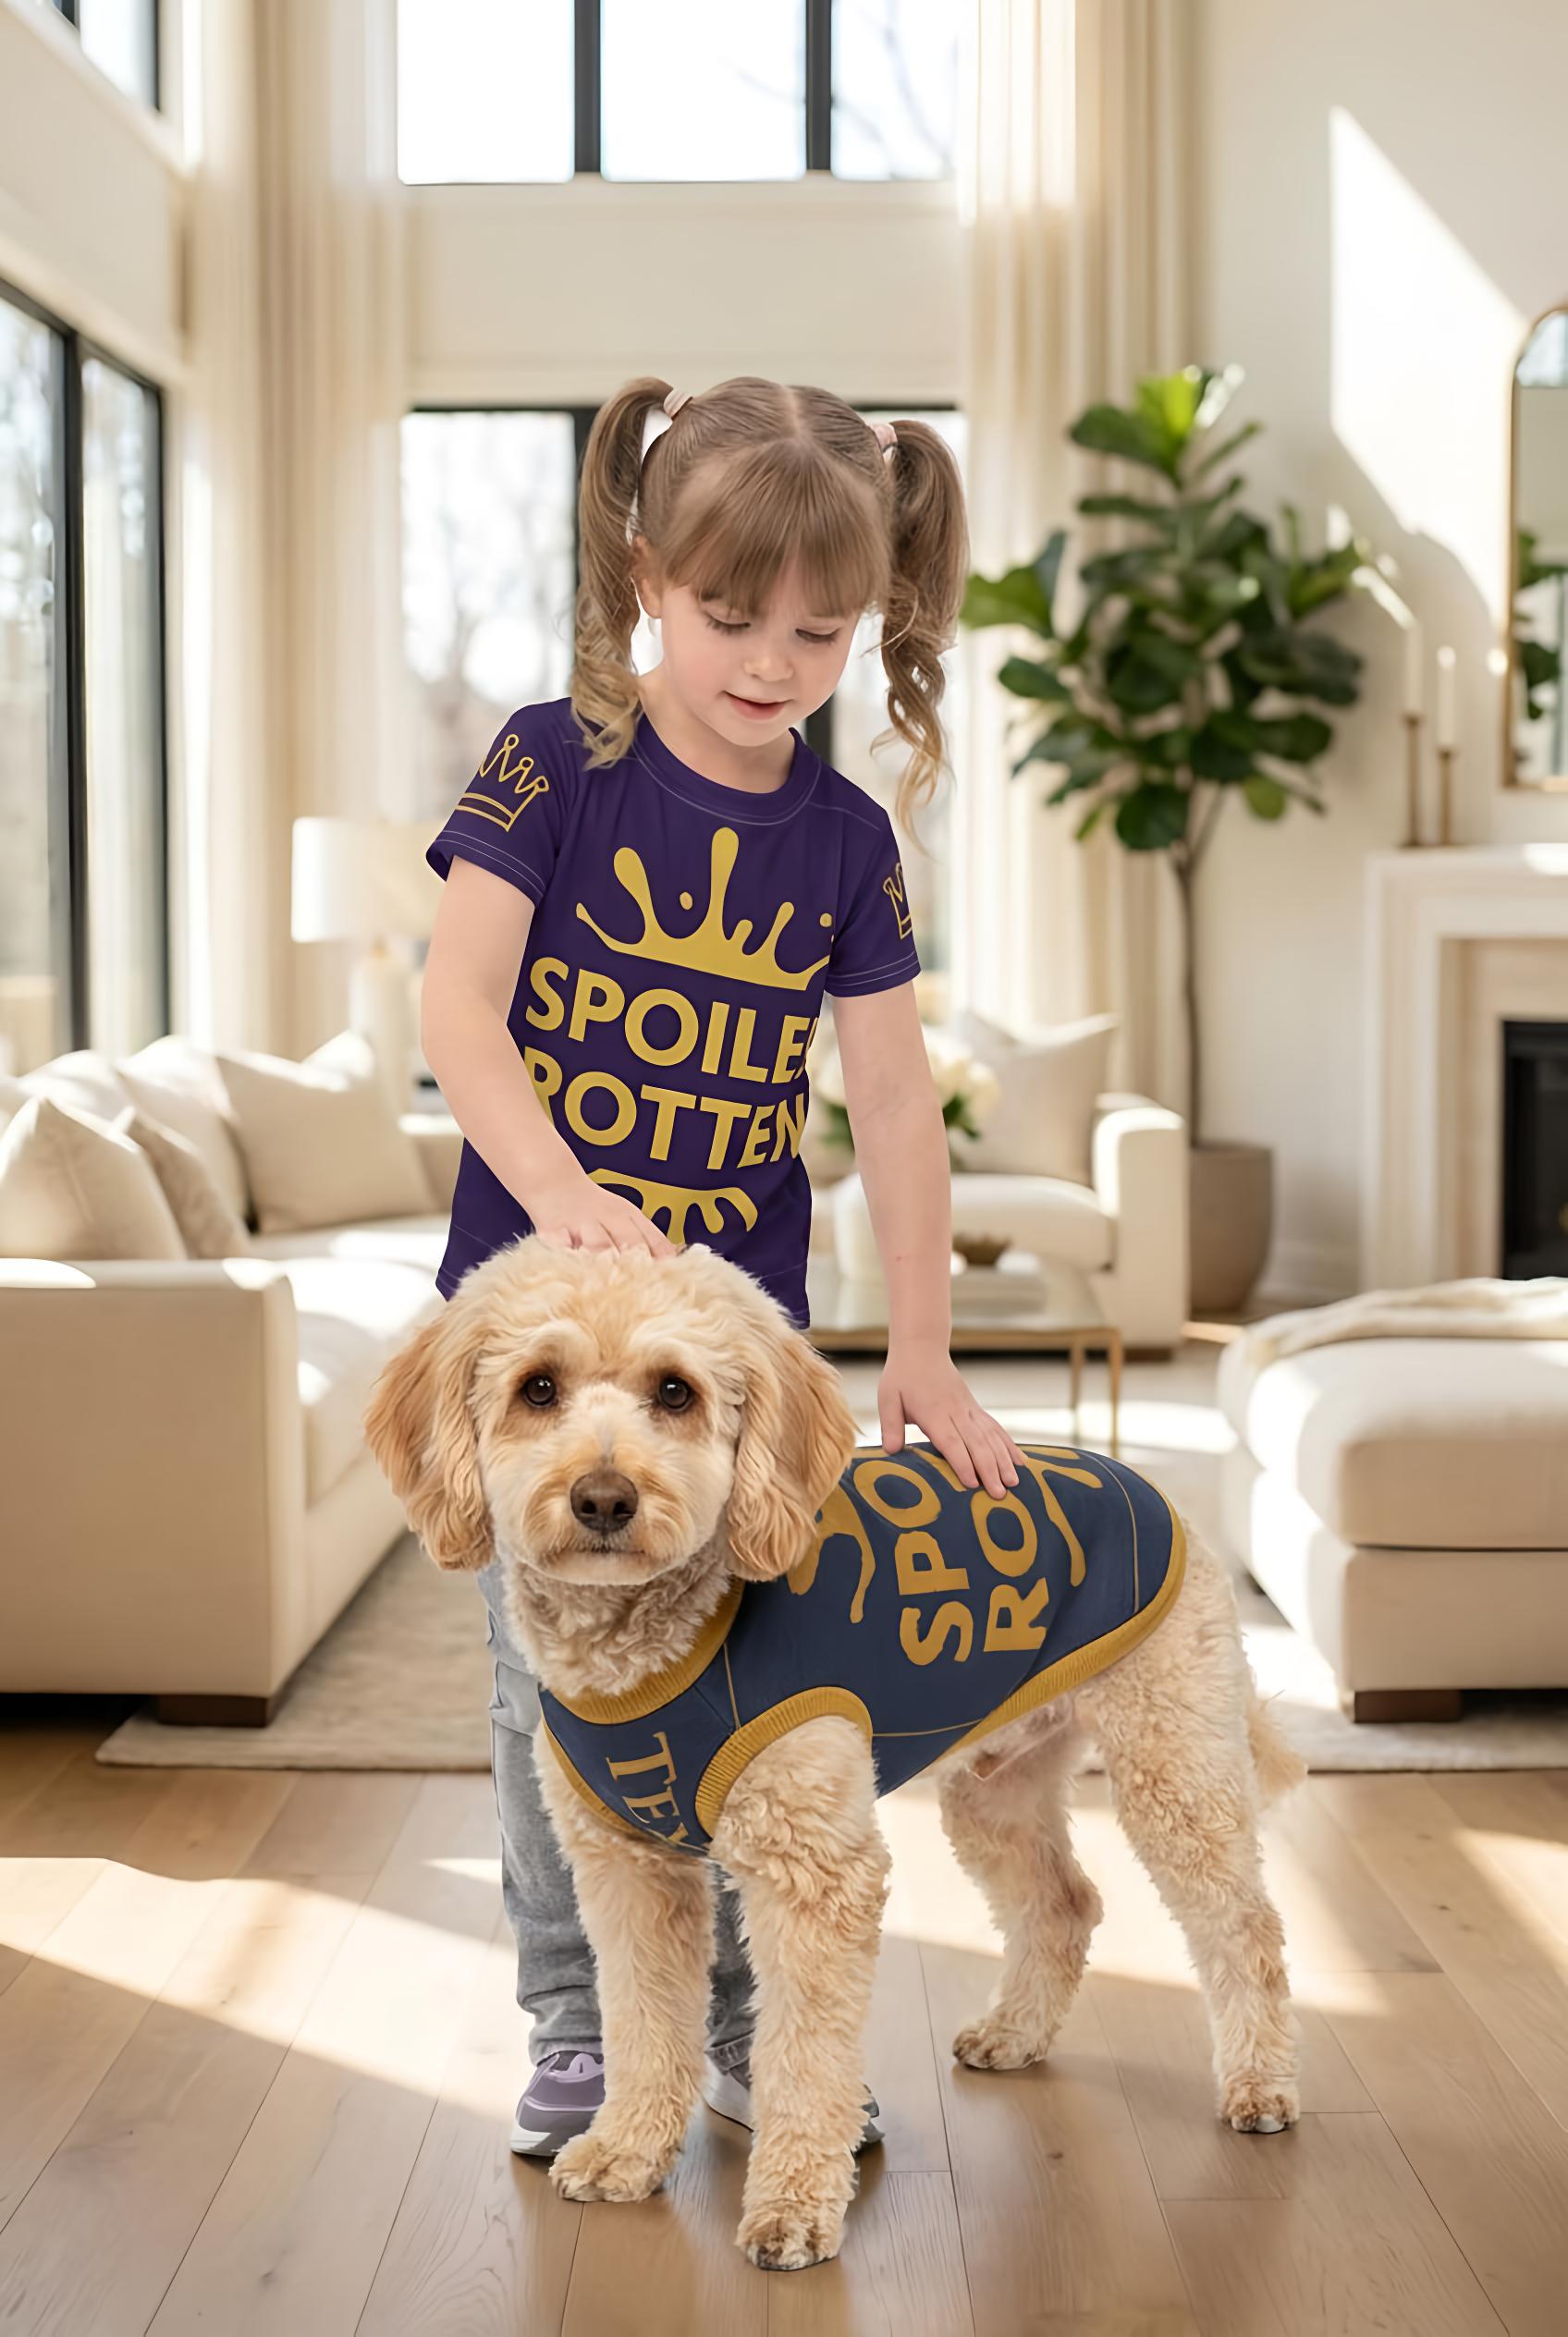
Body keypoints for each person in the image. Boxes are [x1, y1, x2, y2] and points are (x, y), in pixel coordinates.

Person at [419, 374, 1028, 2158]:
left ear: (872, 624)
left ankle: (756, 2033)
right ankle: (577, 2025)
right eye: (729, 614)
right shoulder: (552, 760)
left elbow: (894, 1102)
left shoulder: (844, 841)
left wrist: (921, 1344)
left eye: (819, 633)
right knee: (550, 1696)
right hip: (537, 1329)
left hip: (730, 1358)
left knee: (761, 1686)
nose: (771, 662)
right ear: (646, 580)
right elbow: (458, 1005)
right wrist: (559, 1193)